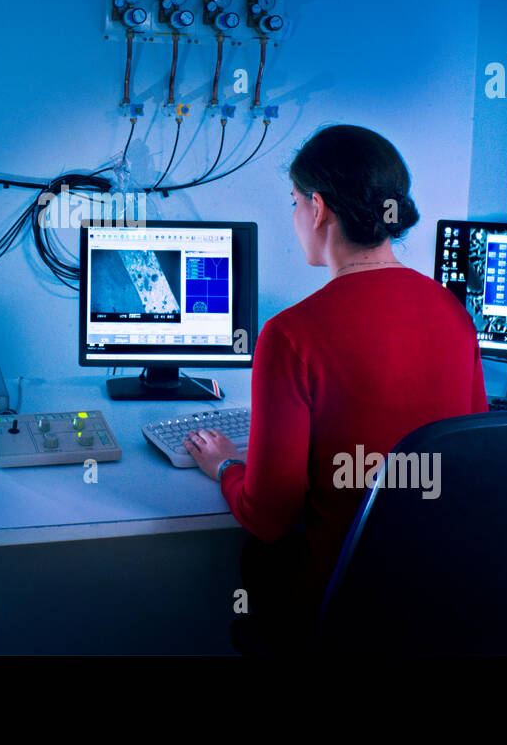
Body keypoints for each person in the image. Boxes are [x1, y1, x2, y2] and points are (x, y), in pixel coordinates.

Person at [184, 124, 488, 654]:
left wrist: (227, 466)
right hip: (440, 603)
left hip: (338, 606)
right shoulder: (452, 312)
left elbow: (270, 516)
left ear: (318, 208)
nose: (296, 216)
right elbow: (474, 458)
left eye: (295, 202)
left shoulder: (291, 335)